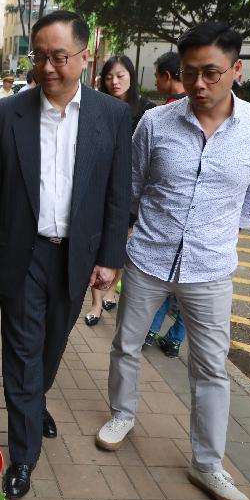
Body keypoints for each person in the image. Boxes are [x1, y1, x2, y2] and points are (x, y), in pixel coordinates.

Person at [97, 22, 250, 500]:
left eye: (212, 73)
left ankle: (207, 463)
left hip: (212, 267)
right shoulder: (156, 123)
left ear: (236, 70)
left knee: (211, 368)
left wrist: (218, 235)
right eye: (190, 73)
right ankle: (122, 413)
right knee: (127, 344)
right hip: (149, 258)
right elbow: (131, 189)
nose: (200, 84)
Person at [0, 10, 131, 500]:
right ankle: (23, 458)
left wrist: (110, 257)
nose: (47, 67)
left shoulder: (112, 116)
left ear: (84, 58)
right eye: (39, 56)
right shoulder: (9, 113)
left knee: (51, 345)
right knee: (21, 354)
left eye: (58, 57)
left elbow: (116, 195)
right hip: (23, 254)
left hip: (77, 258)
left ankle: (34, 400)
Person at [84, 55, 155, 327]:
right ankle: (95, 303)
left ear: (132, 77)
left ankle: (113, 289)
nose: (115, 82)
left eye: (121, 75)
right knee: (100, 242)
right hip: (102, 187)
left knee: (123, 245)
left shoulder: (147, 112)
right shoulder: (97, 108)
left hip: (132, 191)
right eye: (110, 76)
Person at [145, 50, 188, 357]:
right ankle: (173, 339)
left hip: (166, 232)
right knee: (184, 293)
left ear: (167, 77)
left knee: (166, 283)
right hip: (192, 240)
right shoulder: (158, 116)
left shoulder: (164, 115)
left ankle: (151, 329)